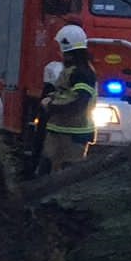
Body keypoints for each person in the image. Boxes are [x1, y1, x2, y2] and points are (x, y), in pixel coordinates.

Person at [40, 24, 98, 164]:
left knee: (64, 174)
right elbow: (66, 93)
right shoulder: (76, 70)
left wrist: (51, 105)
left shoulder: (81, 74)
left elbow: (78, 101)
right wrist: (52, 97)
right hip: (62, 131)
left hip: (72, 134)